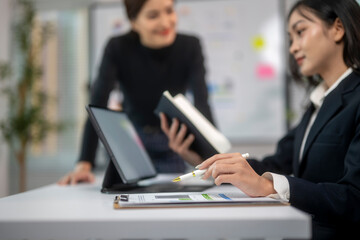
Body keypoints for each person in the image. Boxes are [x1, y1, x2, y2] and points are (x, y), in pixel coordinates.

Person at [160, 0, 360, 239]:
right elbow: (275, 165)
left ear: (337, 28)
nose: (293, 47)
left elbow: (355, 199)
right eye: (290, 38)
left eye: (300, 31)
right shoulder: (317, 104)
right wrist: (205, 160)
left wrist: (269, 186)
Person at [58, 0, 213, 185]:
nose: (165, 22)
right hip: (131, 141)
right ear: (133, 21)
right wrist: (84, 164)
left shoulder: (190, 46)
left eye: (169, 11)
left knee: (168, 197)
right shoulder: (117, 47)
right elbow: (97, 103)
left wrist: (214, 159)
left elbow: (202, 103)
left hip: (172, 142)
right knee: (123, 196)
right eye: (153, 15)